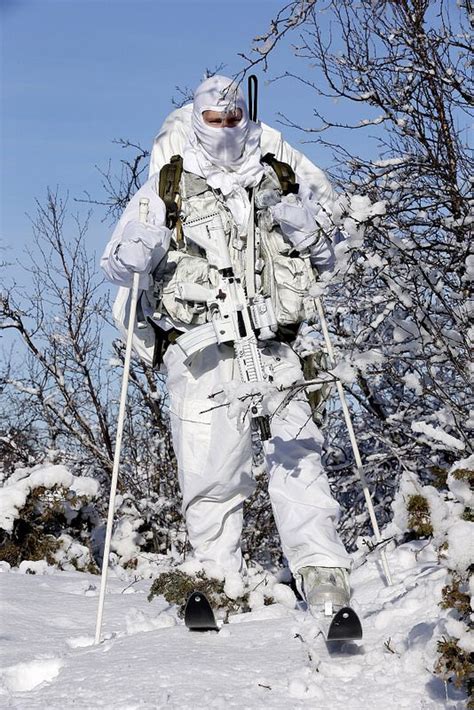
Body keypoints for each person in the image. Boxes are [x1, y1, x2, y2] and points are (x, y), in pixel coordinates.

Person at [101, 75, 352, 615]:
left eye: (232, 120)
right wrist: (136, 255)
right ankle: (215, 574)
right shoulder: (167, 184)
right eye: (213, 121)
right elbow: (115, 265)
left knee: (297, 453)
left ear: (245, 117)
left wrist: (310, 232)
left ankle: (323, 570)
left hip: (277, 343)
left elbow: (335, 259)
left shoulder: (282, 173)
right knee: (210, 467)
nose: (223, 130)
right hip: (201, 348)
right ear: (196, 120)